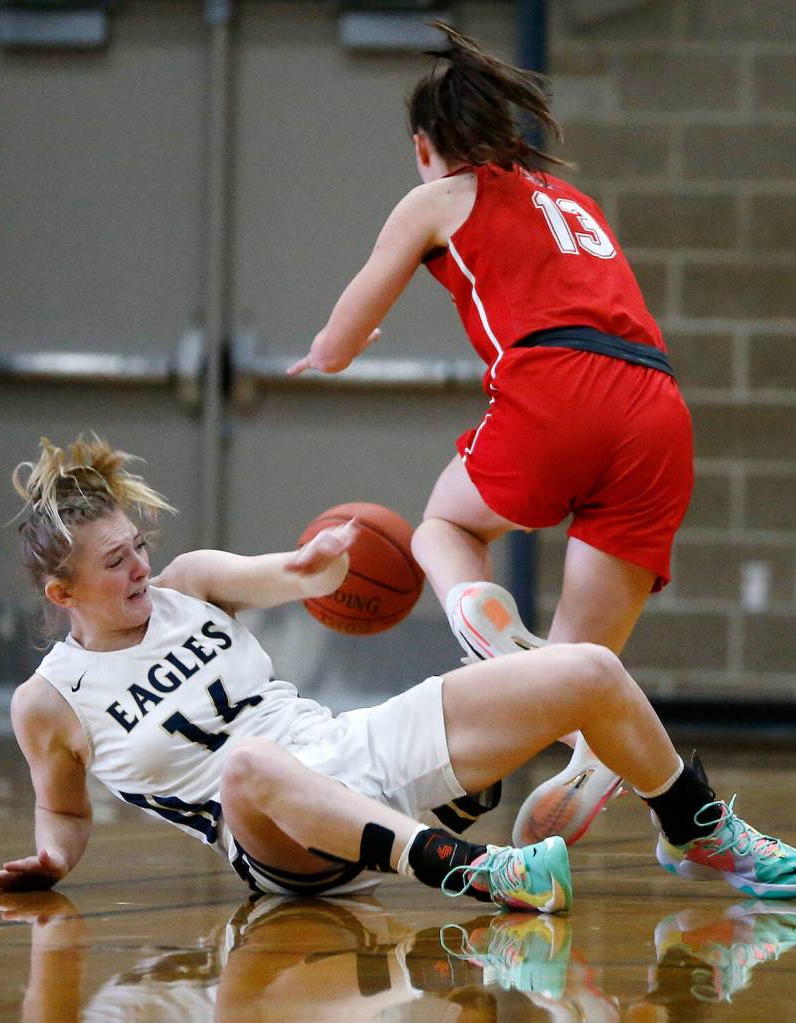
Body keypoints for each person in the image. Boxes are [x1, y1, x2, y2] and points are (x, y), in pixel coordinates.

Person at [0, 437, 796, 908]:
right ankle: (468, 863)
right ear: (61, 590)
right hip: (275, 844)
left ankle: (692, 826)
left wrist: (330, 553)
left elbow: (299, 576)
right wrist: (49, 858)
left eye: (138, 546)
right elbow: (62, 809)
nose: (141, 568)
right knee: (245, 765)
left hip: (348, 749)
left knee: (587, 669)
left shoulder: (191, 581)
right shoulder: (48, 701)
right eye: (116, 562)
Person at [286, 22, 695, 847]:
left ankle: (478, 618)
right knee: (578, 673)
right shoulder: (570, 201)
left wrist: (333, 352)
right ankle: (591, 757)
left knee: (444, 523)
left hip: (557, 386)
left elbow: (339, 335)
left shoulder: (436, 196)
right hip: (656, 407)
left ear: (423, 146)